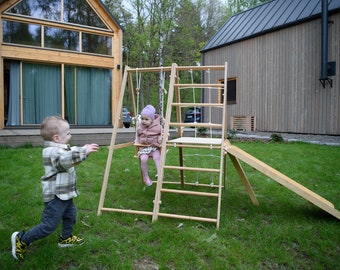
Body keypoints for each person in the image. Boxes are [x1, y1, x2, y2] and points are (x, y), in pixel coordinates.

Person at [11, 116, 99, 260]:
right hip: (55, 197)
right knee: (49, 225)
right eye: (68, 133)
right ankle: (23, 239)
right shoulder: (51, 152)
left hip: (65, 194)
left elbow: (69, 155)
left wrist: (83, 150)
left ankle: (66, 238)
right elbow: (65, 160)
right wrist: (84, 152)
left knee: (70, 215)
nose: (71, 135)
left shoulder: (60, 149)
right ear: (57, 137)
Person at [135, 105, 162, 186]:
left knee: (157, 158)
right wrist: (137, 142)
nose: (143, 121)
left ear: (152, 120)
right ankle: (146, 177)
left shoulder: (157, 127)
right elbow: (137, 135)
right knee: (143, 160)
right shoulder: (140, 128)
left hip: (154, 147)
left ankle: (159, 173)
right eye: (142, 119)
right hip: (144, 148)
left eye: (146, 119)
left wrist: (161, 138)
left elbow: (162, 133)